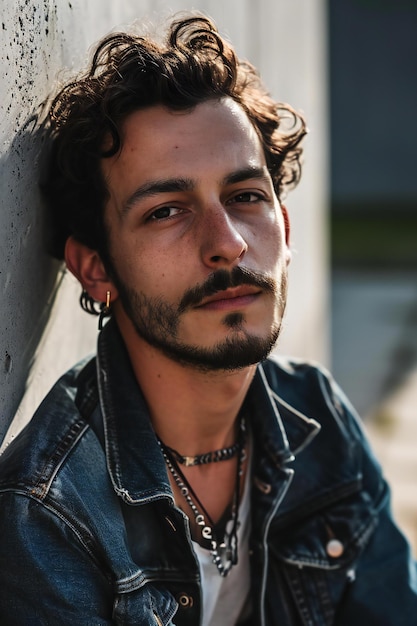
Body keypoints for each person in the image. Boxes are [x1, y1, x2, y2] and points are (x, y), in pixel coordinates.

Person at [0, 13, 416, 626]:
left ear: (286, 227)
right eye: (167, 210)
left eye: (246, 196)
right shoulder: (50, 515)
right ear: (96, 269)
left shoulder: (318, 419)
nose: (227, 244)